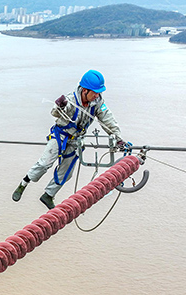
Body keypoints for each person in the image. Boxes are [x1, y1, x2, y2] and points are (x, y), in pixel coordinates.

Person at [12, 69, 129, 209]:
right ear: (85, 90)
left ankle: (48, 195)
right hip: (60, 135)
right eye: (95, 92)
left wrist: (118, 138)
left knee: (66, 173)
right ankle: (23, 184)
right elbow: (55, 113)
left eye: (99, 92)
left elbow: (107, 119)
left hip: (76, 140)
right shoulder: (70, 100)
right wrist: (59, 105)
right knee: (44, 163)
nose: (97, 95)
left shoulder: (97, 102)